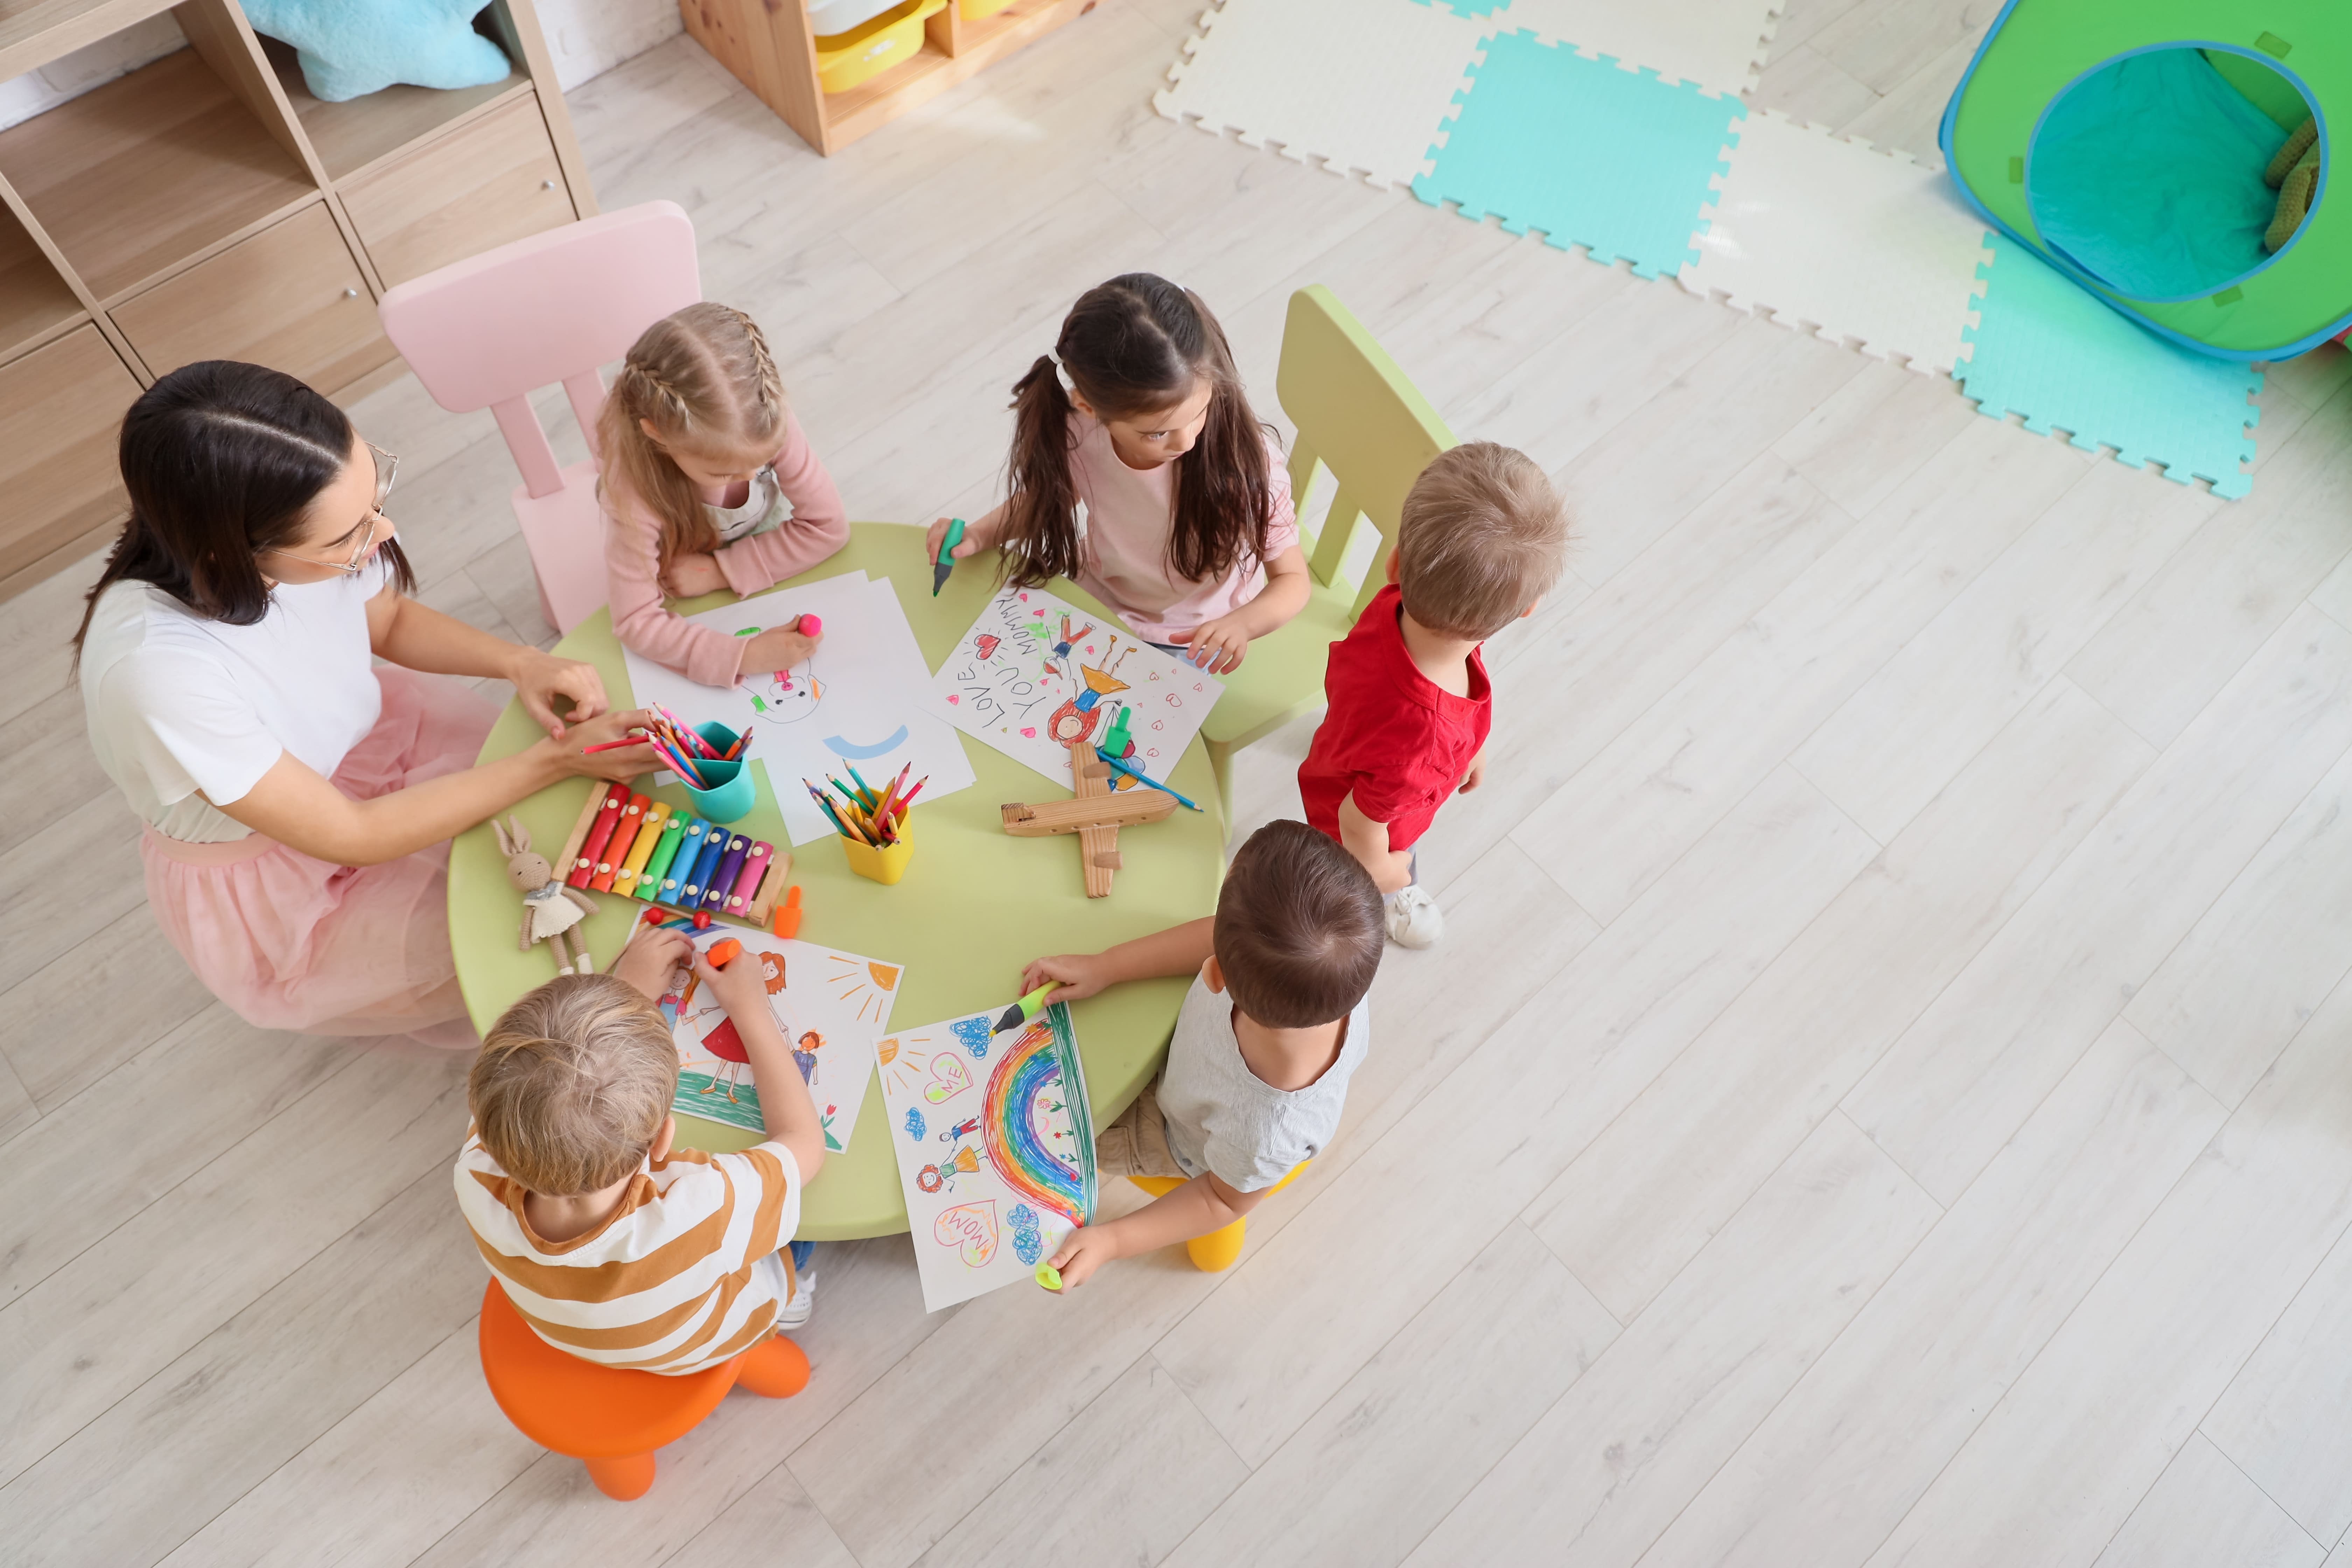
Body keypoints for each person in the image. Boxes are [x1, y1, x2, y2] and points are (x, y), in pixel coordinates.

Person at [73, 360, 657, 1049]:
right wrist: (552, 761)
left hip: (364, 749)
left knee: (568, 849)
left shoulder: (322, 528)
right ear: (232, 549)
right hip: (283, 860)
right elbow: (350, 832)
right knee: (513, 935)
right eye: (345, 536)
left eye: (373, 493)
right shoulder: (157, 673)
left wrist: (520, 661)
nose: (382, 531)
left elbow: (386, 621)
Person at [1020, 821, 1384, 1286]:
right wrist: (1106, 967)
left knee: (1038, 1134)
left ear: (1216, 979)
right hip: (1193, 1069)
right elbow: (1223, 933)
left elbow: (1223, 1201)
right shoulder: (1338, 972)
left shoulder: (1265, 1134)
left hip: (1177, 1136)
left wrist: (1111, 1241)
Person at [454, 927, 826, 1368]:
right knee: (814, 1218)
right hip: (704, 1342)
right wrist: (750, 1008)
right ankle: (789, 1300)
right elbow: (804, 1144)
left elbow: (541, 1090)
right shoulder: (699, 1205)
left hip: (569, 1326)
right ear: (663, 1141)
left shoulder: (475, 1170)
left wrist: (625, 995)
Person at [925, 273, 1306, 674]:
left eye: (1201, 412)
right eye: (1156, 433)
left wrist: (1242, 624)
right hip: (1099, 598)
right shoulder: (1080, 432)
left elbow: (1293, 580)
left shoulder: (1249, 466)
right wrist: (981, 534)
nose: (1187, 441)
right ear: (1090, 409)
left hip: (1192, 634)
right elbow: (1045, 501)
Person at [1296, 442, 1570, 949]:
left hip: (1351, 739)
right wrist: (1383, 870)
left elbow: (1466, 664)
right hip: (1355, 828)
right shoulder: (1421, 743)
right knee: (1374, 869)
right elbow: (1360, 821)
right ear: (1527, 610)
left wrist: (1473, 745)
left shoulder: (1400, 606)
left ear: (1395, 564)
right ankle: (1390, 896)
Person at [602, 302, 850, 688]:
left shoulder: (763, 421)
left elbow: (829, 528)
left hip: (732, 565)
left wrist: (722, 571)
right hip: (676, 567)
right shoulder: (633, 492)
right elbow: (634, 619)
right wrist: (743, 656)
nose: (752, 476)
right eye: (723, 472)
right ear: (657, 434)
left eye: (764, 460)